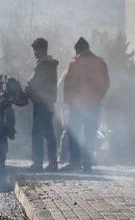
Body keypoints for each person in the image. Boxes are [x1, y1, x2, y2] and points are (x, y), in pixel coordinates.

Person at [61, 37, 110, 172]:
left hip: (77, 105)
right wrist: (98, 97)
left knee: (74, 134)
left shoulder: (75, 63)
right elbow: (105, 83)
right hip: (94, 105)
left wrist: (68, 100)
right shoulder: (100, 63)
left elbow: (69, 83)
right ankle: (88, 164)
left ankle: (75, 163)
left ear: (78, 50)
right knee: (91, 135)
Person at [26, 38, 59, 172]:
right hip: (49, 103)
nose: (34, 53)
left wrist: (27, 87)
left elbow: (34, 83)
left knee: (37, 134)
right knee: (49, 133)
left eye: (35, 50)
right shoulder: (50, 65)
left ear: (41, 49)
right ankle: (52, 163)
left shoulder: (43, 65)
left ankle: (38, 163)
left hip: (41, 103)